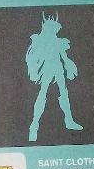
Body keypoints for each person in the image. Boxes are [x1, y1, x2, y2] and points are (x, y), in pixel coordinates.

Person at [26, 12, 83, 141]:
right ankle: (34, 125)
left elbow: (63, 56)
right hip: (48, 68)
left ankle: (69, 120)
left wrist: (68, 66)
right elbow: (34, 56)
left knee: (63, 92)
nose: (55, 30)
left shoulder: (57, 42)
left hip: (58, 68)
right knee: (43, 93)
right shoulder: (41, 41)